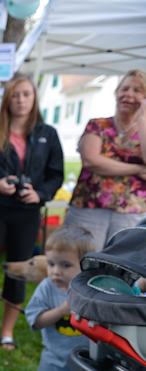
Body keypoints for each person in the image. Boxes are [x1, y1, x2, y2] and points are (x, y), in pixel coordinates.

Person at [0, 73, 64, 351]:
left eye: (26, 94)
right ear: (7, 100)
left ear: (34, 98)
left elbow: (56, 176)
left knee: (19, 269)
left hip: (28, 212)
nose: (21, 100)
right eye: (15, 95)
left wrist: (40, 194)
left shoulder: (48, 134)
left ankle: (7, 332)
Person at [63, 69, 146, 252]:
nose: (129, 94)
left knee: (120, 269)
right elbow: (91, 161)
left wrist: (142, 119)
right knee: (78, 262)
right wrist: (137, 169)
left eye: (137, 90)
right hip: (88, 208)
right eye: (124, 88)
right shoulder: (98, 124)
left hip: (131, 214)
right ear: (116, 93)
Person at [25, 225, 94, 371]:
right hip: (53, 368)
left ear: (86, 266)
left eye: (65, 265)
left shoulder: (93, 290)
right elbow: (35, 320)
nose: (56, 271)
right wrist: (62, 310)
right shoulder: (47, 287)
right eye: (51, 263)